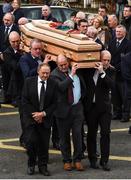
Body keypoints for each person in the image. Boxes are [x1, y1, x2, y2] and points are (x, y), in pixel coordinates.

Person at [51, 54, 86, 171]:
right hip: (62, 111)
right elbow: (61, 87)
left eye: (65, 64)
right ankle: (66, 160)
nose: (63, 67)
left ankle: (77, 160)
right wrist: (71, 75)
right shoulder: (54, 75)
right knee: (64, 137)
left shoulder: (77, 69)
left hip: (77, 108)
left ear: (68, 62)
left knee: (78, 135)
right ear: (57, 65)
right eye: (60, 65)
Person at [22, 63, 57, 176]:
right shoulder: (28, 82)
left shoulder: (53, 83)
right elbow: (25, 101)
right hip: (31, 119)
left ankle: (43, 166)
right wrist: (36, 115)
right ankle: (31, 164)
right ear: (38, 71)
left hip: (45, 119)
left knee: (44, 144)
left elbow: (55, 103)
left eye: (48, 73)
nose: (45, 75)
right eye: (43, 73)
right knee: (31, 142)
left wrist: (43, 114)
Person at [83, 50, 114, 171]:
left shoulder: (111, 70)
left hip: (105, 108)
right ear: (99, 59)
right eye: (104, 60)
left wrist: (102, 73)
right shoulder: (89, 69)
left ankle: (104, 161)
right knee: (91, 134)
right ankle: (92, 160)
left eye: (108, 60)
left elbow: (112, 85)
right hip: (91, 107)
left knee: (105, 134)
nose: (106, 62)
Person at [108, 24, 131, 121]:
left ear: (124, 33)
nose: (117, 33)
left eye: (120, 31)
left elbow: (126, 60)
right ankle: (117, 113)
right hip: (113, 73)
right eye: (116, 31)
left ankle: (125, 115)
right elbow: (109, 55)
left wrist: (115, 67)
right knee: (115, 95)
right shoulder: (112, 42)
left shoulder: (128, 44)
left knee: (125, 96)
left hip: (123, 74)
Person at [0, 12, 20, 104]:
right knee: (5, 78)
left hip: (12, 56)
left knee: (13, 77)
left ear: (12, 21)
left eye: (8, 20)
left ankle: (14, 98)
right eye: (5, 20)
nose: (6, 22)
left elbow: (17, 42)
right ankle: (6, 97)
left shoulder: (17, 29)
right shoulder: (1, 28)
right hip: (2, 58)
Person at [2, 31, 23, 107]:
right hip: (14, 80)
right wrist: (20, 53)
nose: (16, 44)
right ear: (9, 41)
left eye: (17, 41)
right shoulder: (7, 53)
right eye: (13, 42)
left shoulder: (22, 49)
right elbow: (16, 67)